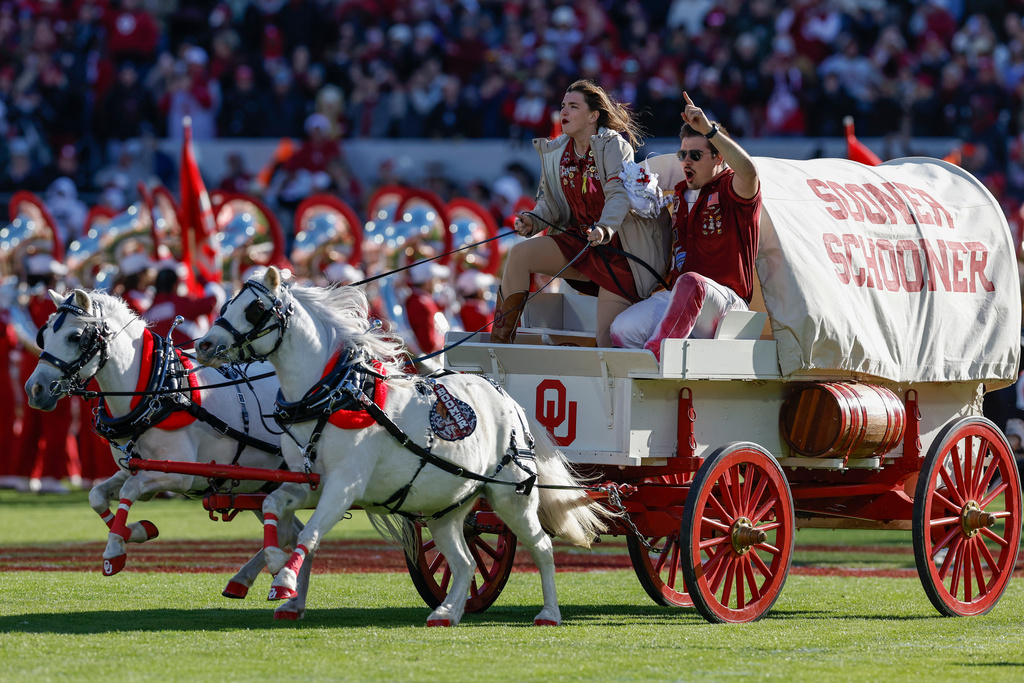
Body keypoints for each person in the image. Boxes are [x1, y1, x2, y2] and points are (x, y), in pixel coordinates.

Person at [493, 79, 669, 347]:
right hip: (581, 243)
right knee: (519, 254)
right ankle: (500, 344)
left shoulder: (613, 146)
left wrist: (604, 229)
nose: (564, 112)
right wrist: (532, 219)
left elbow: (618, 194)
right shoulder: (556, 152)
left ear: (593, 116)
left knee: (605, 341)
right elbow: (551, 204)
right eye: (563, 106)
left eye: (573, 106)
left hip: (619, 253)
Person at [609, 93, 761, 360]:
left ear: (718, 158)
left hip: (726, 303)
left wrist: (710, 130)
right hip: (681, 297)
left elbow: (749, 172)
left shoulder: (731, 187)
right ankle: (656, 373)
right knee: (621, 330)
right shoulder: (677, 195)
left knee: (691, 283)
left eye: (695, 154)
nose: (685, 161)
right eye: (682, 154)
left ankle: (662, 358)